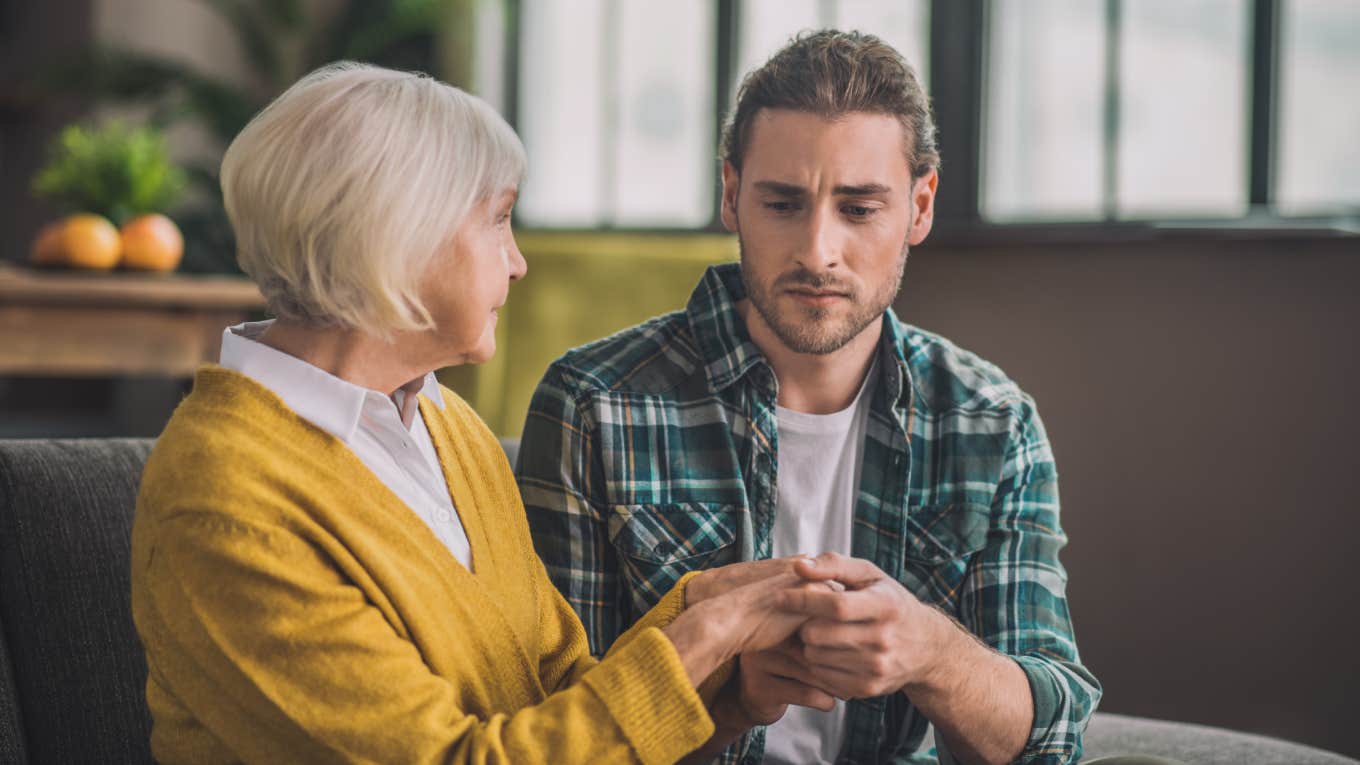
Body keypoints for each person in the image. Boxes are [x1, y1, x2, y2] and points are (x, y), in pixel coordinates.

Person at [130, 61, 827, 765]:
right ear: (396, 235)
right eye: (497, 218)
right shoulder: (226, 499)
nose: (518, 262)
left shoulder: (448, 426)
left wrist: (726, 684)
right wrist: (697, 641)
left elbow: (556, 692)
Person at [517, 31, 1105, 765]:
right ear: (732, 195)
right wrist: (728, 701)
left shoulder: (992, 424)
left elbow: (1048, 742)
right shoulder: (592, 407)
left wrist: (932, 653)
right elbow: (555, 733)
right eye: (784, 203)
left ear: (920, 207)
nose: (818, 250)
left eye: (859, 209)